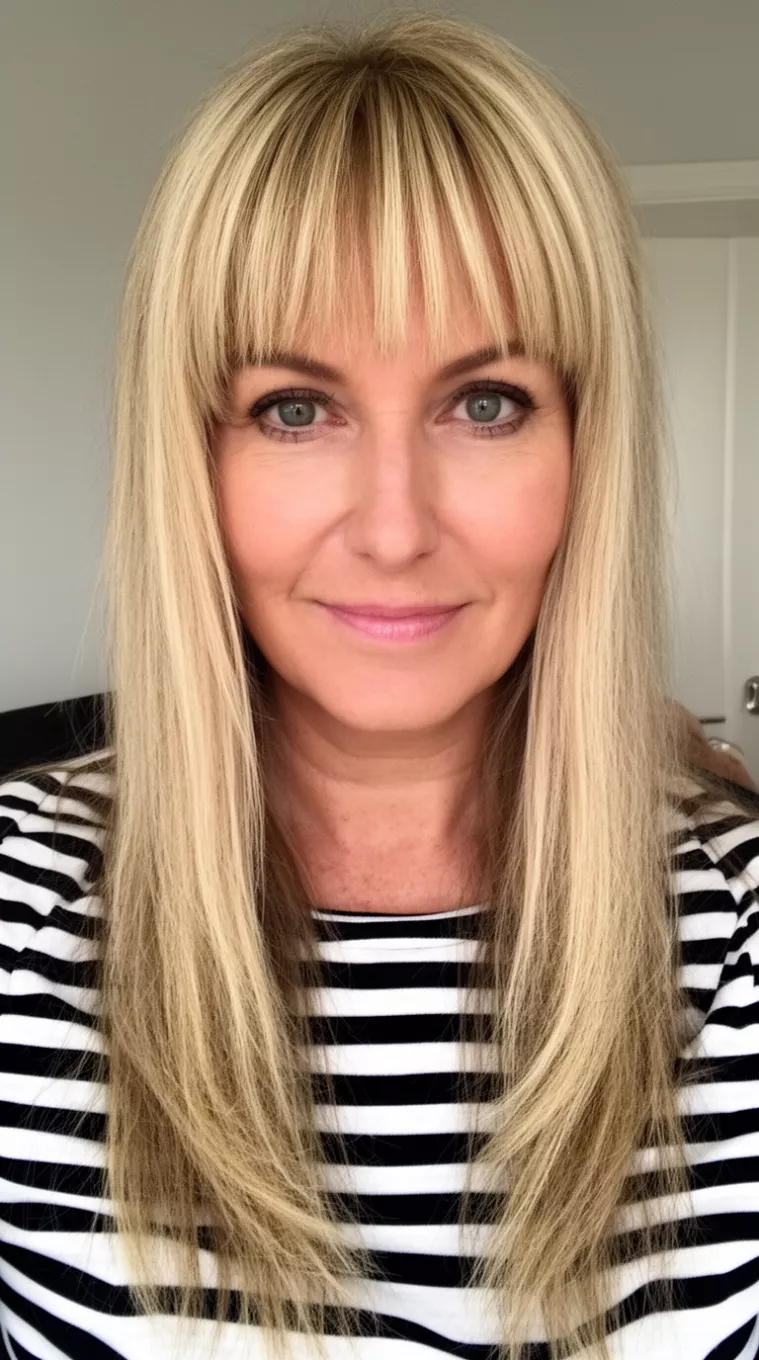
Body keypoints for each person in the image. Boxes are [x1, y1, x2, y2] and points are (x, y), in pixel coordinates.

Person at [1, 11, 758, 1360]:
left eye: (486, 403)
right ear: (194, 455)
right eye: (295, 407)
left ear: (588, 443)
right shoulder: (18, 916)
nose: (395, 528)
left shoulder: (737, 934)